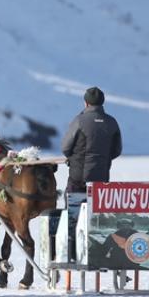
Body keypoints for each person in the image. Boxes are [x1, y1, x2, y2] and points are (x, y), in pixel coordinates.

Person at [61, 86, 122, 261]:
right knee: (96, 217)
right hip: (101, 180)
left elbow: (65, 148)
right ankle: (98, 252)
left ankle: (71, 253)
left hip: (78, 178)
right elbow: (117, 150)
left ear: (85, 102)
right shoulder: (112, 122)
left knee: (72, 214)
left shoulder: (79, 121)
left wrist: (74, 157)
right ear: (103, 102)